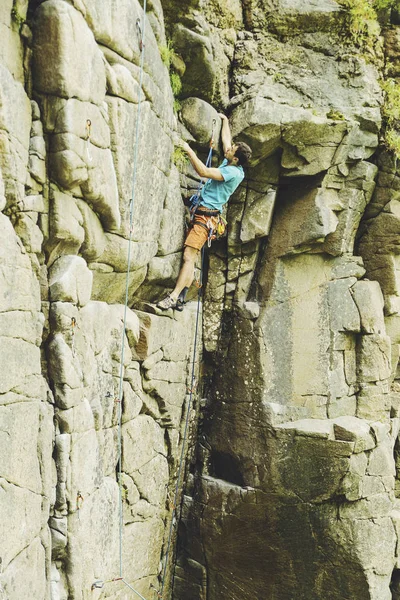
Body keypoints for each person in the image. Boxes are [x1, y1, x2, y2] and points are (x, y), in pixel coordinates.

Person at [157, 113, 252, 311]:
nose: (228, 148)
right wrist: (225, 121)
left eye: (232, 150)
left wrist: (187, 148)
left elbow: (204, 172)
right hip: (203, 213)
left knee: (188, 257)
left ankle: (173, 297)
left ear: (235, 158)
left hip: (205, 219)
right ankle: (182, 296)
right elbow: (226, 140)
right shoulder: (232, 161)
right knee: (191, 257)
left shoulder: (232, 172)